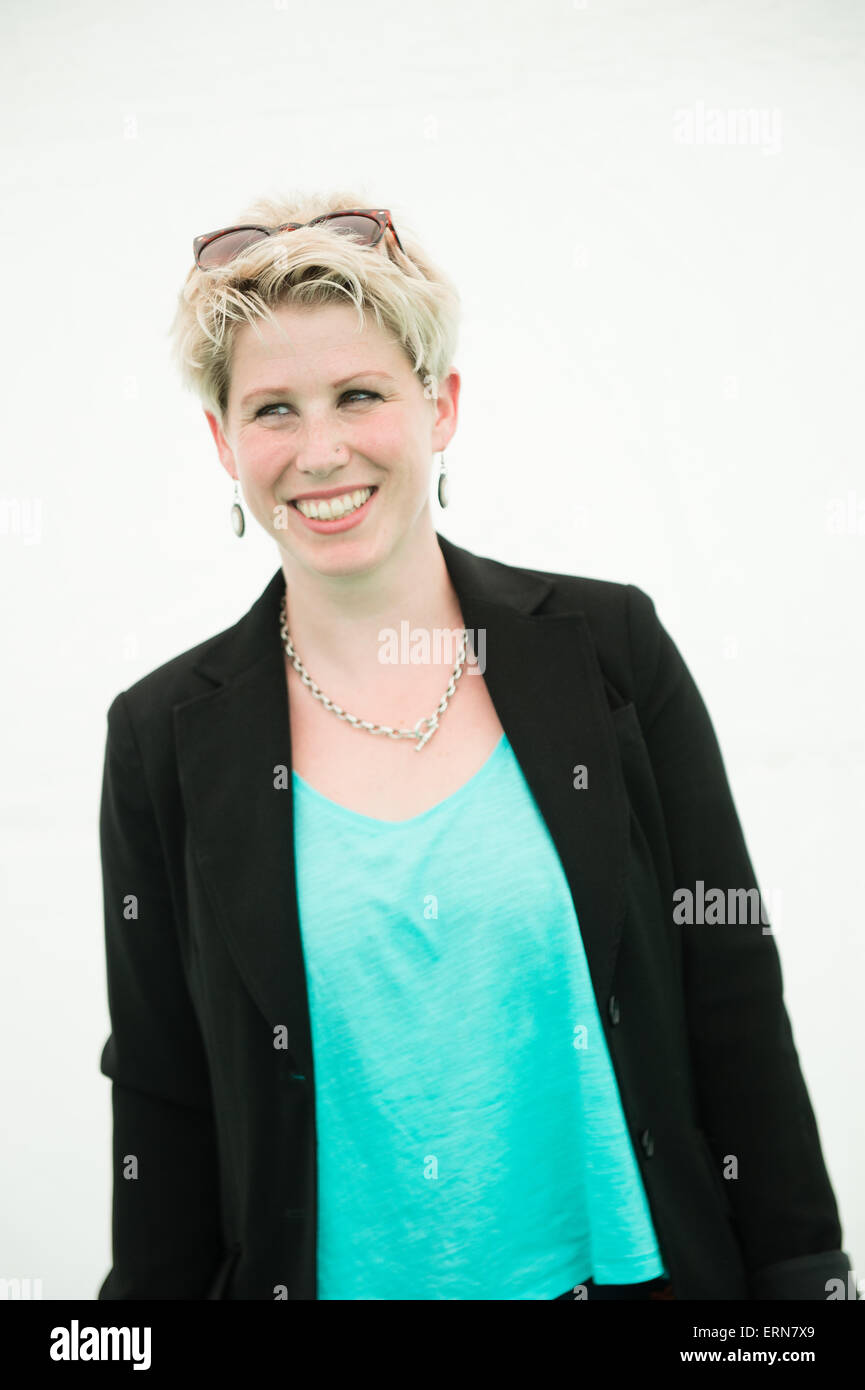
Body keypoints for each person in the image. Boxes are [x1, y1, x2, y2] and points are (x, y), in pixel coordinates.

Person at [96, 189, 851, 1302]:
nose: (320, 451)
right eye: (273, 410)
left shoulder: (609, 651)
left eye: (359, 394)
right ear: (223, 441)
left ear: (439, 406)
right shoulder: (159, 738)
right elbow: (163, 1093)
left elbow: (729, 987)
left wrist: (804, 1285)